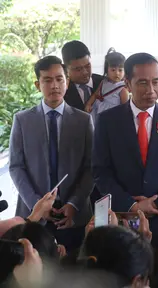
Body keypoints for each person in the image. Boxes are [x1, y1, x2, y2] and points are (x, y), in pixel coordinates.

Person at [92, 53, 158, 246]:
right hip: (120, 217)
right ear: (127, 84)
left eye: (156, 82)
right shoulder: (107, 121)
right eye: (143, 83)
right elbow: (100, 171)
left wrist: (156, 203)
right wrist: (132, 205)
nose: (151, 90)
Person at [9, 56, 94, 252]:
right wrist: (37, 206)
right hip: (34, 218)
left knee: (74, 272)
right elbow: (16, 166)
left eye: (59, 79)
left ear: (67, 81)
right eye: (47, 80)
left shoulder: (83, 120)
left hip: (74, 215)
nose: (54, 85)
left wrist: (74, 203)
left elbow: (90, 167)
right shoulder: (22, 120)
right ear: (37, 84)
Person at [85, 48, 129, 122]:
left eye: (120, 70)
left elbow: (125, 109)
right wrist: (88, 104)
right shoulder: (103, 82)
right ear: (106, 70)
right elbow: (95, 94)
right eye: (113, 70)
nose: (117, 73)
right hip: (97, 112)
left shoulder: (123, 89)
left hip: (112, 117)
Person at [62, 40, 103, 111]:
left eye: (88, 66)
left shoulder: (105, 82)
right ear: (66, 68)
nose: (85, 72)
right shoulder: (62, 91)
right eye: (78, 69)